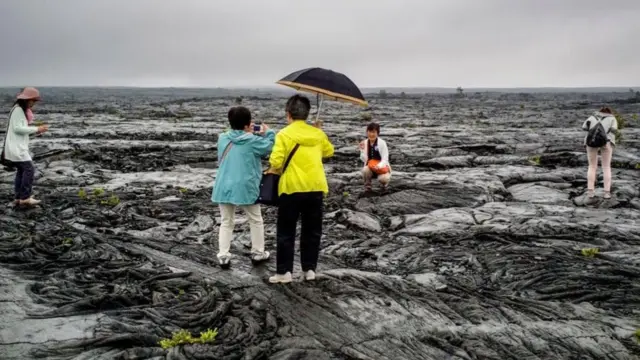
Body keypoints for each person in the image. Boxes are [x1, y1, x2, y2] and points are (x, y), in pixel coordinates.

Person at [268, 95, 334, 284]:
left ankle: (284, 272)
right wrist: (319, 131)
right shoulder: (317, 134)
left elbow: (276, 161)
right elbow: (329, 151)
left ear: (288, 114)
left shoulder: (283, 134)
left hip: (291, 188)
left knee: (286, 231)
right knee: (312, 231)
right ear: (307, 114)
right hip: (315, 187)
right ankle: (309, 269)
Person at [211, 106, 275, 268]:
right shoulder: (253, 141)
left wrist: (243, 129)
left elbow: (231, 132)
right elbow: (270, 146)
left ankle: (223, 255)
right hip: (246, 186)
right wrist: (269, 132)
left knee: (226, 221)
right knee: (255, 219)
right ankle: (258, 252)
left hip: (224, 185)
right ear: (248, 124)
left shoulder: (223, 138)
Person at [2, 87, 48, 206]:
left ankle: (19, 197)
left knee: (22, 170)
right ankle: (25, 198)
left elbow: (19, 128)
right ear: (27, 100)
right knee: (29, 169)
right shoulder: (18, 110)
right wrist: (37, 128)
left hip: (16, 146)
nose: (34, 103)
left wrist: (35, 131)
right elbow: (18, 129)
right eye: (33, 100)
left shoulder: (18, 109)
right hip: (16, 148)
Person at [582, 106, 618, 199]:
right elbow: (614, 130)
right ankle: (606, 193)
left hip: (591, 142)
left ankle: (590, 192)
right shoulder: (612, 118)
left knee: (592, 166)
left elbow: (584, 127)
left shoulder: (592, 117)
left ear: (599, 112)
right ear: (609, 112)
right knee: (606, 167)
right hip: (607, 142)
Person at [358, 122, 391, 192]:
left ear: (377, 133)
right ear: (367, 132)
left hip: (381, 167)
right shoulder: (365, 143)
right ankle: (368, 186)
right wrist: (361, 150)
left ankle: (384, 185)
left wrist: (378, 166)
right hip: (370, 167)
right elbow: (364, 159)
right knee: (365, 170)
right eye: (369, 132)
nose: (371, 134)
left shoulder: (382, 143)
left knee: (384, 179)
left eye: (374, 132)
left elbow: (385, 159)